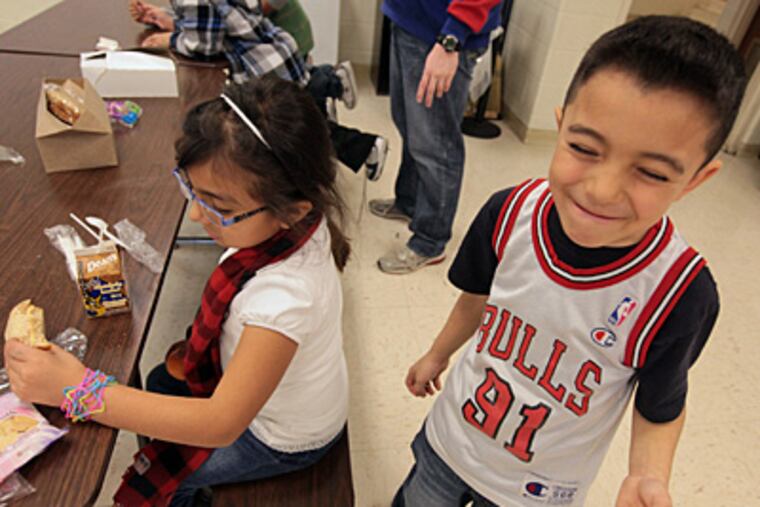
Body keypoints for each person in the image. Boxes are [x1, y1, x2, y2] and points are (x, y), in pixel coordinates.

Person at [393, 16, 746, 507]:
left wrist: (649, 476)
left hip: (537, 491)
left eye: (650, 172)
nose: (601, 190)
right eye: (583, 148)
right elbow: (476, 298)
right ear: (560, 126)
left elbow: (661, 403)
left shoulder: (678, 292)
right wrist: (438, 352)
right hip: (451, 442)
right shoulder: (509, 212)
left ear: (694, 181)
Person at [4, 76, 351, 507]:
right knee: (157, 380)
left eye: (218, 207)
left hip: (280, 437)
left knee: (167, 476)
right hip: (269, 397)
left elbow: (220, 424)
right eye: (192, 190)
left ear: (290, 210)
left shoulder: (285, 300)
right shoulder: (289, 226)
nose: (194, 213)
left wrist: (76, 390)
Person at [128, 0, 388, 180]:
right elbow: (220, 17)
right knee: (300, 106)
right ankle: (332, 81)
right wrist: (167, 18)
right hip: (275, 49)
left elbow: (205, 44)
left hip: (261, 67)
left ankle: (364, 146)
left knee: (287, 131)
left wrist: (171, 39)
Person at [369, 0, 503, 274]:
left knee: (436, 144)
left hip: (441, 35)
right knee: (411, 126)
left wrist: (451, 38)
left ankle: (430, 240)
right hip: (410, 19)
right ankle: (409, 202)